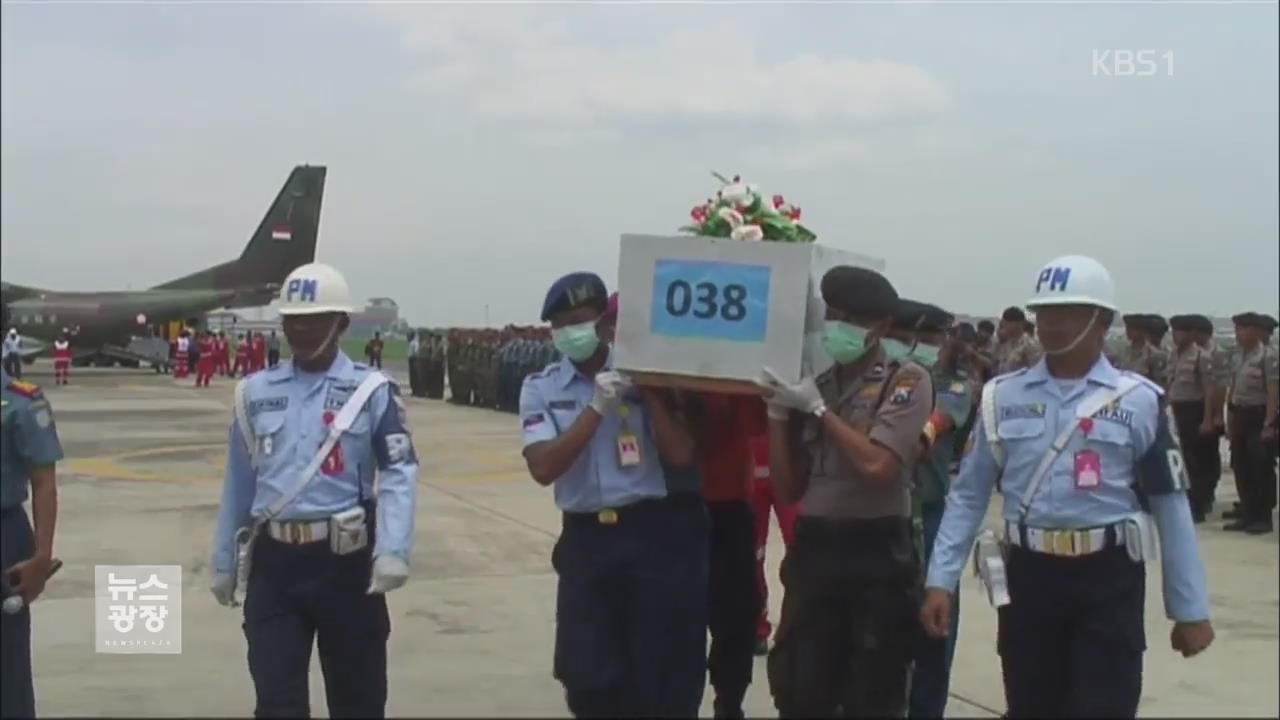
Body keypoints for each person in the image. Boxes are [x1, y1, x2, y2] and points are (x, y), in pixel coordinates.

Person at [921, 255, 1214, 719]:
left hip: (1108, 577)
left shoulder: (1140, 401)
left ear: (1101, 321)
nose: (1052, 325)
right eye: (1044, 314)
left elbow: (1171, 505)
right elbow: (969, 496)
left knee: (1105, 705)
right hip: (1028, 576)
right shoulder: (1003, 396)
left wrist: (1189, 607)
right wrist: (940, 580)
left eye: (1068, 314)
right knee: (1032, 703)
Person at [209, 262, 419, 718]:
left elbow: (400, 471)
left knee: (357, 700)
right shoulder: (254, 393)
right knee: (276, 701)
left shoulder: (371, 390)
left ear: (341, 323)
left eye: (315, 319)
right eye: (292, 319)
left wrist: (394, 549)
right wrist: (225, 560)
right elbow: (240, 481)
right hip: (275, 565)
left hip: (346, 565)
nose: (301, 330)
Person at [519, 272, 707, 718]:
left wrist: (651, 393)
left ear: (604, 323)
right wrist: (595, 408)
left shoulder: (643, 376)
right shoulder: (542, 386)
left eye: (579, 320)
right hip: (587, 540)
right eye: (560, 323)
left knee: (656, 671)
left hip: (650, 536)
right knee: (584, 673)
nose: (570, 331)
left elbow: (681, 454)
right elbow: (544, 467)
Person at [756, 266, 932, 718]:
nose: (837, 327)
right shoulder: (822, 381)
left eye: (850, 319)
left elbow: (878, 465)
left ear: (882, 328)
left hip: (875, 555)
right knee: (801, 687)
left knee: (872, 691)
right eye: (833, 316)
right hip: (816, 549)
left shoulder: (905, 381)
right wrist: (779, 416)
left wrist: (817, 410)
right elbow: (789, 487)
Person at [900, 304, 975, 720]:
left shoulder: (956, 384)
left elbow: (942, 419)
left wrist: (907, 430)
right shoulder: (883, 377)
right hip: (887, 516)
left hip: (930, 515)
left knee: (934, 629)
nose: (926, 346)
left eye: (934, 338)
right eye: (920, 337)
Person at [1, 369, 62, 719]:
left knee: (7, 671)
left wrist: (42, 556)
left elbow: (44, 483)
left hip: (5, 535)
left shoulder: (20, 401)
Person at [1223, 311, 1278, 534]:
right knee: (1241, 465)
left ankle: (1262, 517)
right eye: (1237, 329)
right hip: (1240, 415)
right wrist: (1230, 419)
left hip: (1258, 415)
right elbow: (1234, 388)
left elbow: (1274, 392)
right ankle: (1248, 512)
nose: (1239, 334)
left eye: (1243, 329)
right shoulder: (1239, 357)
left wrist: (1269, 423)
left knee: (1260, 468)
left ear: (1255, 331)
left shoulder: (1268, 356)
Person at [1167, 315, 1221, 523]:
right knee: (1179, 458)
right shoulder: (1173, 355)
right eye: (1174, 331)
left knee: (1194, 460)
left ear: (1190, 334)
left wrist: (1208, 419)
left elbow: (1210, 390)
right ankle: (1183, 502)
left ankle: (1197, 505)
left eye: (1180, 331)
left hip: (1194, 410)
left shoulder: (1201, 356)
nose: (1176, 336)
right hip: (1176, 409)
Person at [750, 422, 796, 658]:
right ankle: (756, 627)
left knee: (800, 549)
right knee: (751, 555)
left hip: (787, 461)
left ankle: (797, 625)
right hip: (749, 463)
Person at [993, 307, 1041, 376]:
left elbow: (1035, 370)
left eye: (1009, 323)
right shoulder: (1004, 344)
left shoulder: (1029, 345)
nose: (1005, 326)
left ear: (1021, 324)